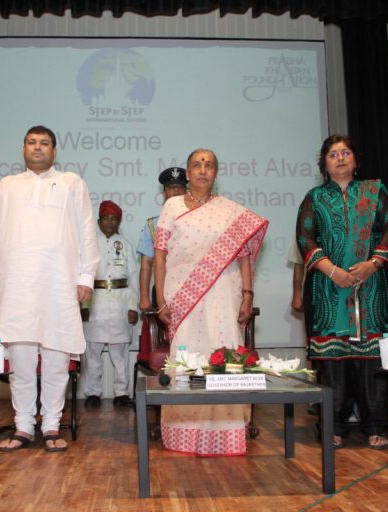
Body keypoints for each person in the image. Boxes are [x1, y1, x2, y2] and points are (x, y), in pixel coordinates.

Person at [0, 125, 99, 453]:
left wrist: (85, 278)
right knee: (20, 362)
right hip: (16, 284)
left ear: (54, 151)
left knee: (56, 360)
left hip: (59, 284)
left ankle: (50, 425)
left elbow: (86, 231)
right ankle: (22, 426)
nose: (37, 148)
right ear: (22, 149)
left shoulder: (72, 183)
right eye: (31, 143)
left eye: (44, 143)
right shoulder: (7, 186)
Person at [296, 134, 388, 451]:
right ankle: (334, 426)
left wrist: (372, 265)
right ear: (324, 164)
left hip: (370, 287)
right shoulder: (314, 197)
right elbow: (305, 237)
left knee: (372, 361)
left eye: (346, 152)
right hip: (328, 289)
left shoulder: (375, 192)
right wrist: (333, 270)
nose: (340, 158)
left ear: (355, 160)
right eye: (333, 154)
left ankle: (375, 425)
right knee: (333, 364)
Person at [154, 148, 268, 456]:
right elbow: (161, 255)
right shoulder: (172, 206)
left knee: (224, 356)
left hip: (223, 296)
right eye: (197, 165)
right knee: (188, 358)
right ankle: (184, 435)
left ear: (215, 174)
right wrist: (160, 296)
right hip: (183, 295)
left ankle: (226, 433)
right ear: (188, 173)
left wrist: (247, 294)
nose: (203, 170)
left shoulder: (229, 210)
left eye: (209, 165)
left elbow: (243, 256)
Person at [82, 200, 139, 407]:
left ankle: (121, 393)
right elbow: (83, 277)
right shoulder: (89, 245)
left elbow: (133, 276)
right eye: (105, 218)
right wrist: (83, 307)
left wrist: (133, 307)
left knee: (120, 353)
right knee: (93, 352)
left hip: (119, 303)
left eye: (113, 219)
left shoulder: (125, 245)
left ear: (118, 222)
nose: (109, 222)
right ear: (98, 221)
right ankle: (92, 393)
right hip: (94, 301)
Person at [136, 167, 188, 312]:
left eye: (180, 187)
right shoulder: (153, 225)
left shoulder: (198, 221)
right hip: (162, 292)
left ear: (187, 191)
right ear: (164, 192)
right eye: (171, 188)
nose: (176, 192)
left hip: (192, 289)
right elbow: (146, 264)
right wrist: (144, 297)